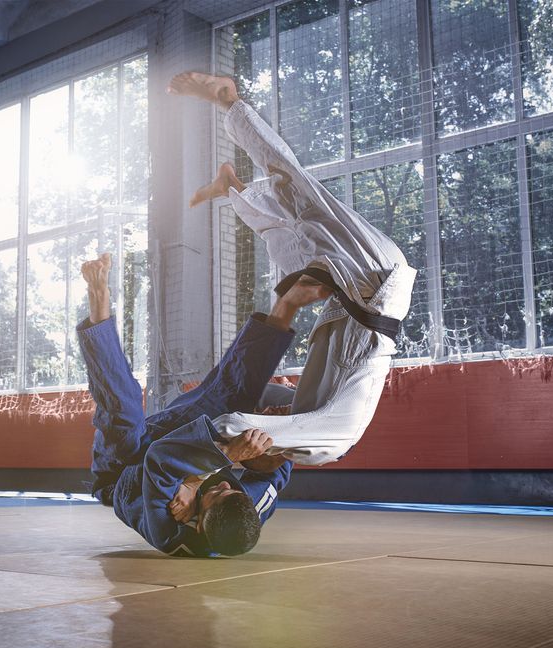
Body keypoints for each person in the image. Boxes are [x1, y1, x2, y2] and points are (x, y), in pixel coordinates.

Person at [169, 71, 417, 466]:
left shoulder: (302, 415)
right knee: (296, 188)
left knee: (284, 241)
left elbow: (263, 395)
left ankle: (232, 188)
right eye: (264, 433)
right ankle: (228, 100)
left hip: (351, 290)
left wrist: (219, 392)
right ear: (265, 450)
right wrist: (223, 456)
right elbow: (232, 422)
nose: (268, 418)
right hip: (377, 279)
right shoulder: (326, 443)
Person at [78, 252, 331, 557]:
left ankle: (98, 304)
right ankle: (288, 302)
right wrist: (280, 440)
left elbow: (157, 460)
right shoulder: (249, 506)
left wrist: (216, 464)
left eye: (215, 495)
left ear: (198, 525)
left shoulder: (171, 532)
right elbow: (276, 467)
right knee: (230, 397)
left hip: (124, 469)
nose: (222, 486)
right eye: (229, 488)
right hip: (180, 443)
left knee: (125, 413)